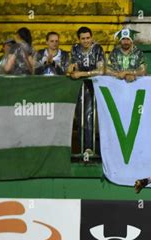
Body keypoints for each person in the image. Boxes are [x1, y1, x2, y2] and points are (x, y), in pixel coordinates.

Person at [67, 27, 105, 155]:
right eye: (83, 38)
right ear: (79, 39)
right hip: (79, 86)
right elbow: (73, 69)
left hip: (95, 87)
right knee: (79, 116)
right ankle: (83, 147)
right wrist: (72, 71)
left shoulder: (98, 49)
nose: (86, 41)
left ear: (92, 37)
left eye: (88, 38)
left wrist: (81, 73)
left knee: (89, 116)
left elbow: (101, 71)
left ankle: (90, 148)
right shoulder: (75, 49)